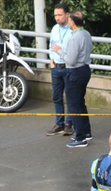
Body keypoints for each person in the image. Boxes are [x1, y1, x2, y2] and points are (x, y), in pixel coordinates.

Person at [54, 11, 91, 148]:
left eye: (69, 20)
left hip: (75, 72)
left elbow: (70, 59)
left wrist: (59, 51)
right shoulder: (86, 34)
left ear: (73, 22)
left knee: (74, 105)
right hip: (84, 69)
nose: (68, 22)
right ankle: (86, 132)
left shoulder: (75, 37)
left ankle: (80, 137)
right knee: (80, 103)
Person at [45, 3, 72, 136]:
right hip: (56, 67)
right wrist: (51, 61)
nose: (57, 18)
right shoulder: (55, 28)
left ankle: (69, 124)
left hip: (68, 67)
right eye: (55, 15)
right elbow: (51, 44)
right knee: (56, 97)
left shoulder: (73, 29)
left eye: (59, 15)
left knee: (70, 96)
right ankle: (59, 123)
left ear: (67, 14)